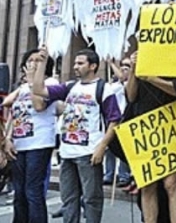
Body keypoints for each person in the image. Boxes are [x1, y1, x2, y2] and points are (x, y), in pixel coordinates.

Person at [32, 47, 121, 223]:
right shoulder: (69, 87)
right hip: (67, 153)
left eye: (80, 63)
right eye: (75, 63)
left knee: (91, 199)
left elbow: (115, 120)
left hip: (89, 153)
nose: (75, 66)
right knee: (69, 199)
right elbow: (38, 90)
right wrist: (41, 64)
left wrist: (102, 146)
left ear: (93, 66)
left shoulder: (104, 89)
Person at [126, 50, 176, 223]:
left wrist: (151, 78)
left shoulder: (173, 58)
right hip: (145, 129)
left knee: (172, 183)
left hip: (169, 127)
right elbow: (131, 96)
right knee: (147, 184)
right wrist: (133, 69)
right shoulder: (140, 59)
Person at [3, 49, 57, 223]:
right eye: (30, 60)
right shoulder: (22, 87)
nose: (33, 64)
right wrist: (8, 139)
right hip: (19, 143)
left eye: (38, 60)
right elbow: (11, 107)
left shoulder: (50, 82)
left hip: (38, 143)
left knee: (32, 190)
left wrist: (34, 81)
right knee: (19, 192)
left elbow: (39, 105)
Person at [103, 58, 132, 187]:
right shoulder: (113, 86)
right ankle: (109, 174)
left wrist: (110, 63)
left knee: (124, 148)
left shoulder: (130, 84)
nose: (124, 69)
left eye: (127, 66)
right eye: (122, 66)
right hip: (113, 119)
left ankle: (124, 175)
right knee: (110, 149)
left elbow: (122, 78)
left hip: (127, 118)